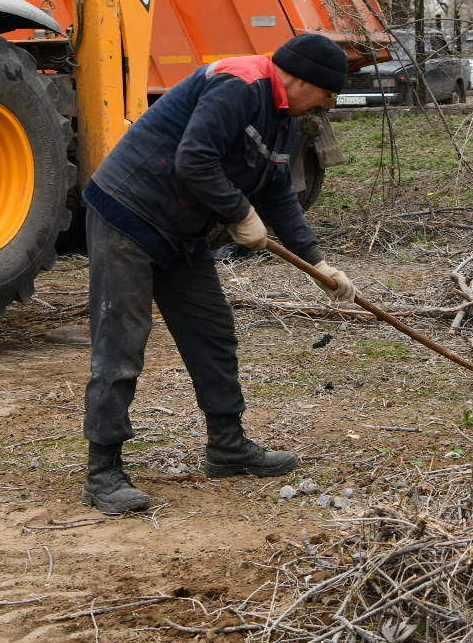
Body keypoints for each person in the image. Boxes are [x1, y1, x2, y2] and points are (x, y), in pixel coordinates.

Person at [79, 33, 358, 515]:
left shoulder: (283, 119)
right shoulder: (239, 83)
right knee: (121, 343)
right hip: (128, 215)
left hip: (182, 231)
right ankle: (102, 471)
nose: (327, 104)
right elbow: (195, 158)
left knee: (212, 333)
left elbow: (278, 191)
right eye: (327, 93)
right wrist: (238, 212)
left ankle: (227, 446)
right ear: (301, 80)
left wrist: (316, 262)